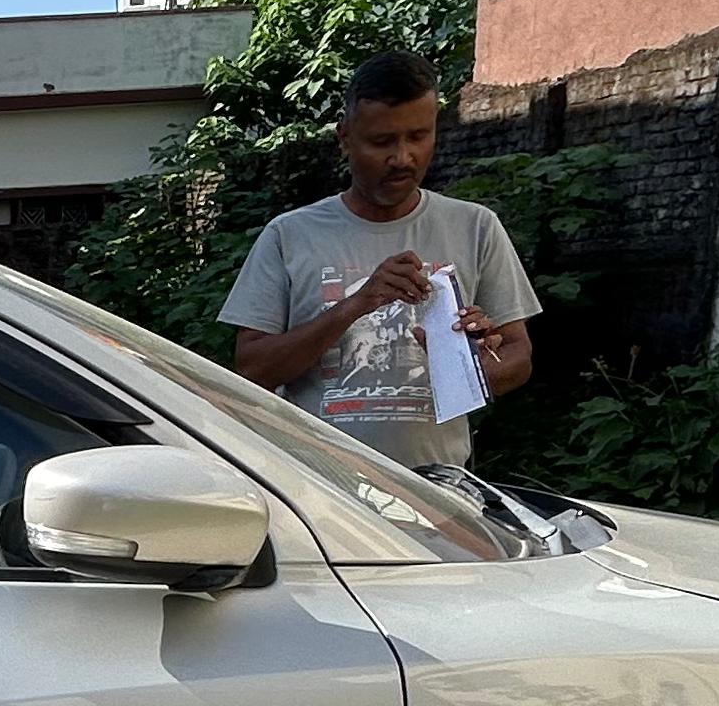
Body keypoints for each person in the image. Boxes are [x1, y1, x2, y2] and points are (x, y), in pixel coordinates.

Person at [221, 48, 538, 472]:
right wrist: (355, 305)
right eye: (382, 141)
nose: (403, 158)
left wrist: (469, 365)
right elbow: (251, 368)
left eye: (418, 136)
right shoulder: (290, 235)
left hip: (438, 494)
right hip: (322, 493)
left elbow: (518, 360)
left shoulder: (476, 226)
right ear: (345, 138)